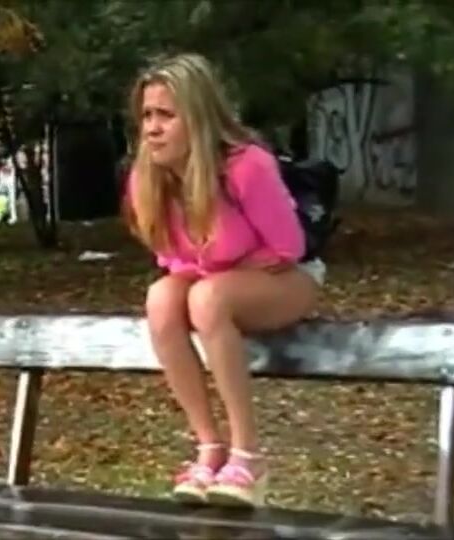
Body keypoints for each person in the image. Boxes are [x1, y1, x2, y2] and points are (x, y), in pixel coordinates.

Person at [121, 53, 322, 507]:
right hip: (216, 282)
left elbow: (288, 248)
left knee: (208, 298)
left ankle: (248, 454)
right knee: (160, 299)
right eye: (147, 116)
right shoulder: (146, 180)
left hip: (288, 276)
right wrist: (205, 277)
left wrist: (217, 277)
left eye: (166, 115)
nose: (152, 129)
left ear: (198, 118)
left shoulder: (247, 166)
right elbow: (171, 259)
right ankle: (209, 448)